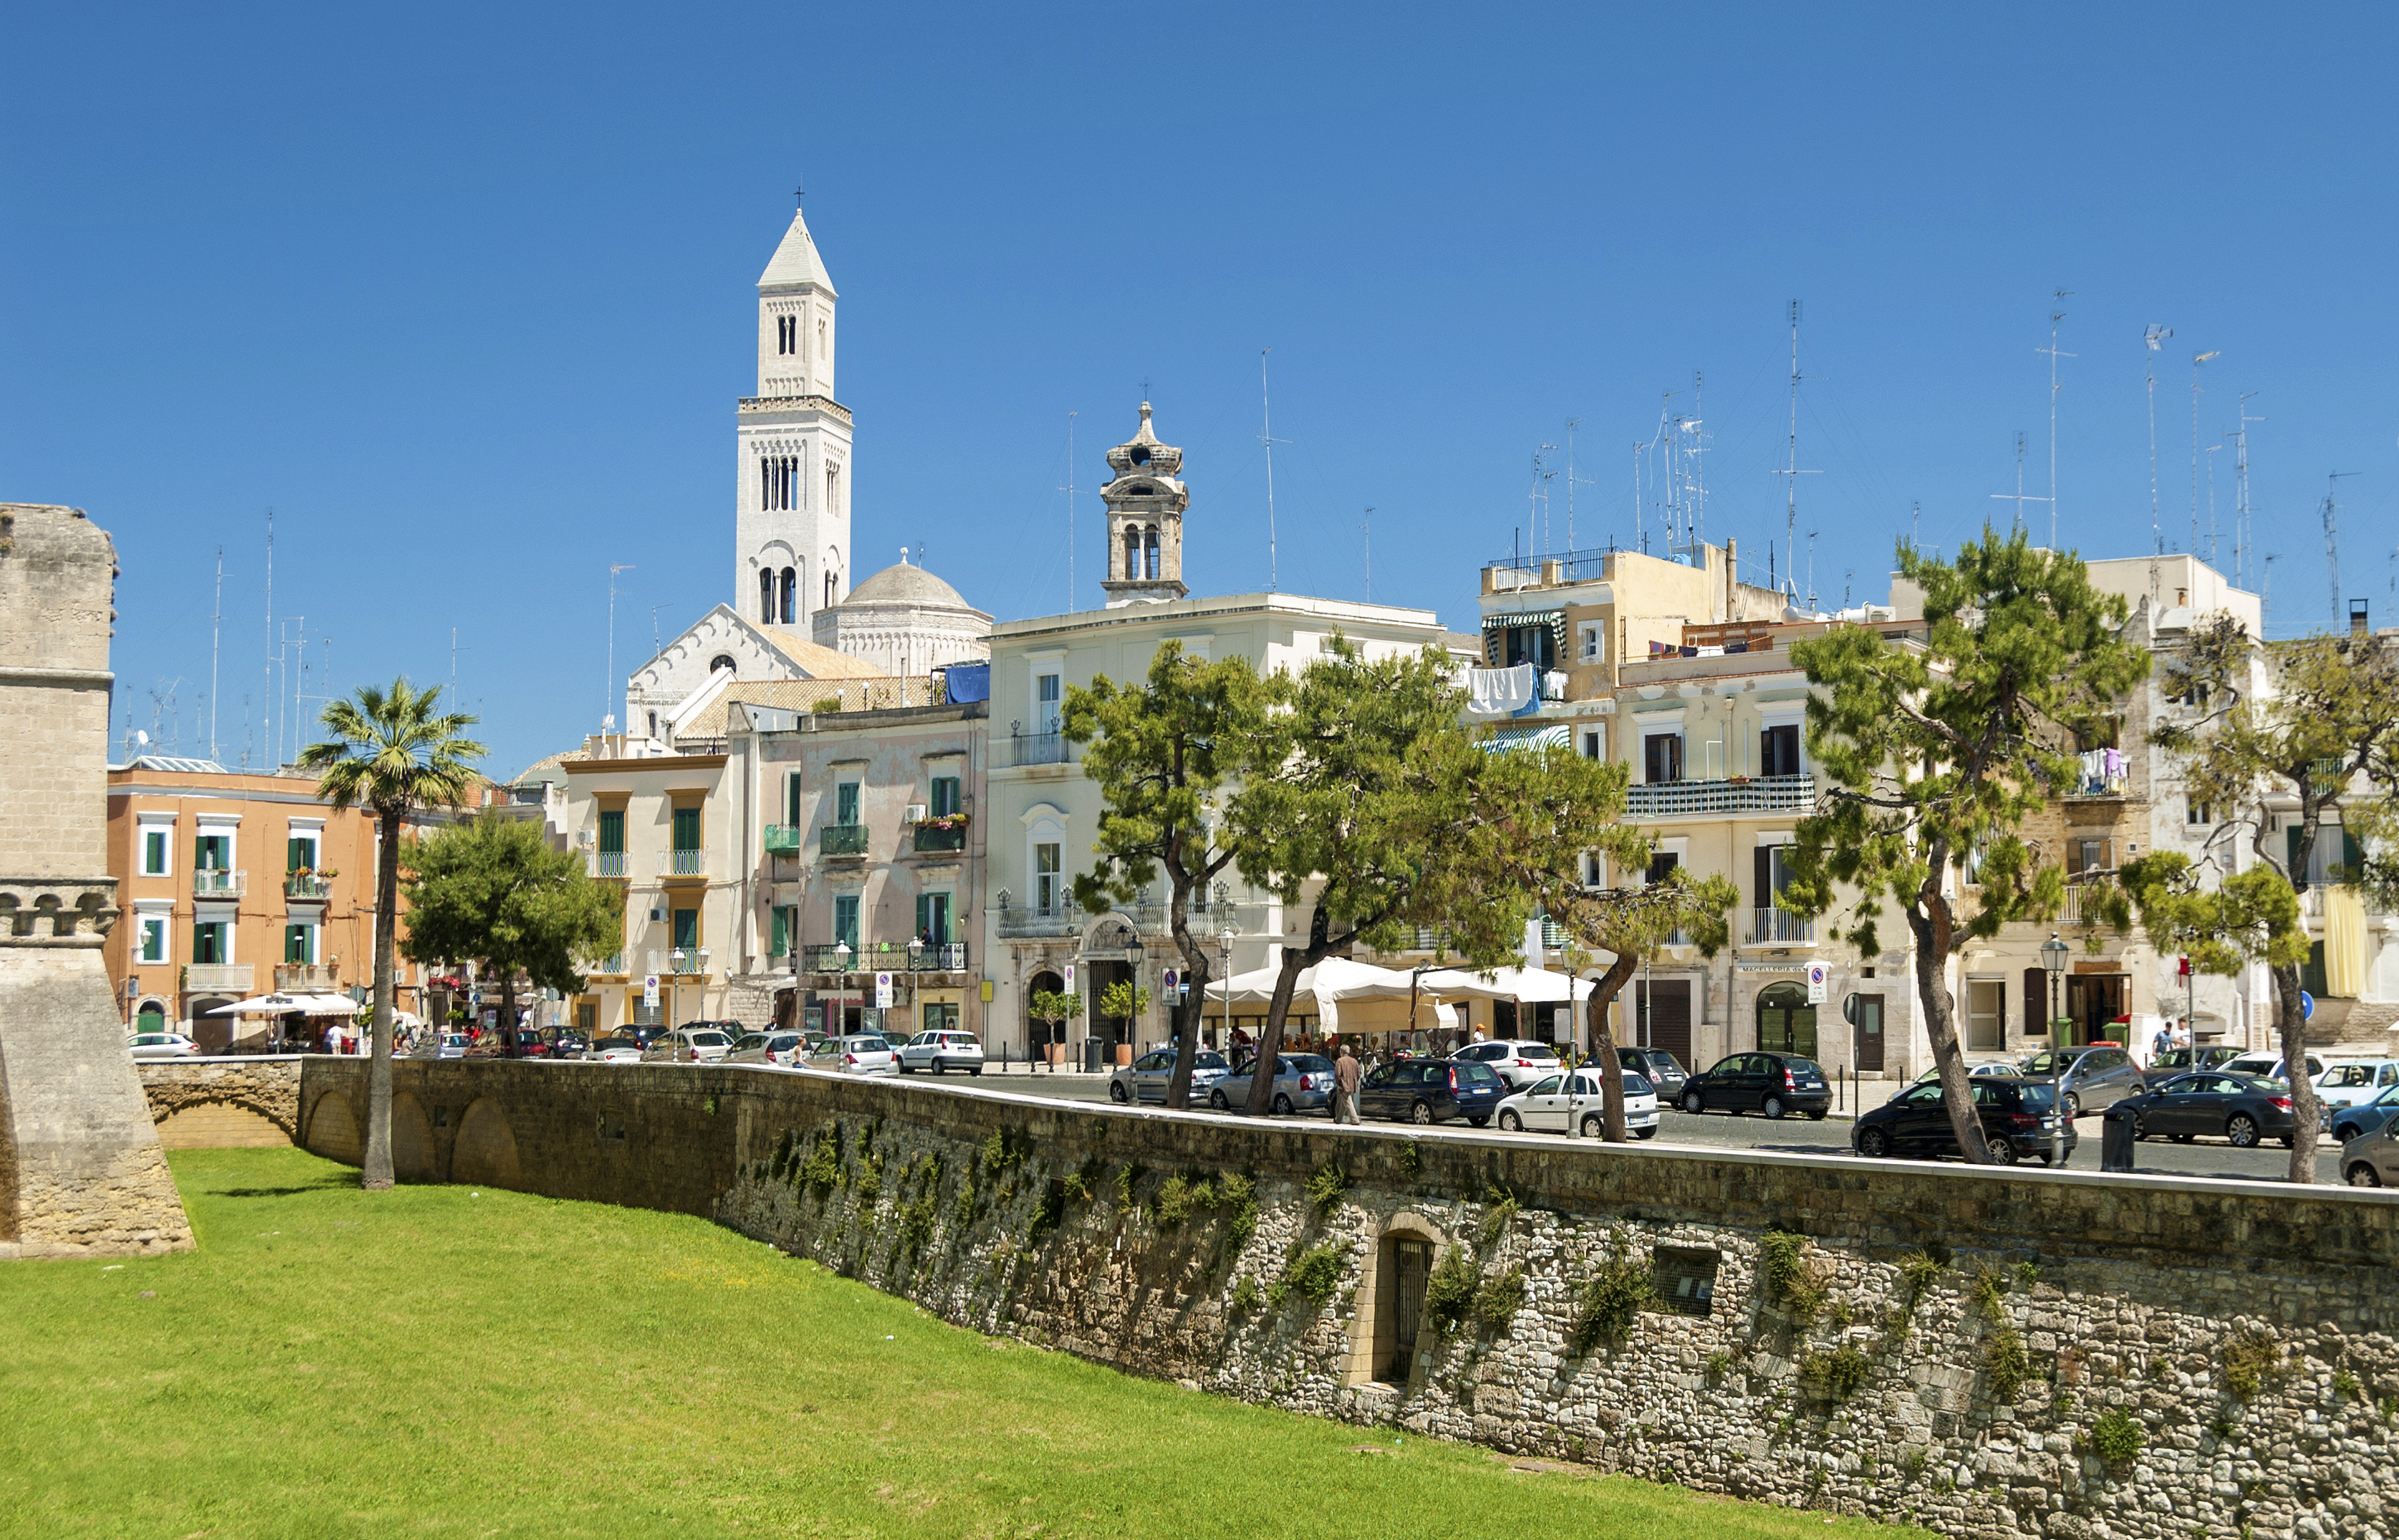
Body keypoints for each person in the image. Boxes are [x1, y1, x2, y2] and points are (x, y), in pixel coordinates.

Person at [1333, 1042, 1363, 1125]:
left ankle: (1355, 1120)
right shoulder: (1354, 1061)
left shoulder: (1340, 1061)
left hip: (1344, 1085)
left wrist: (1339, 1083)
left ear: (1341, 1052)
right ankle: (1338, 1119)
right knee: (1345, 1102)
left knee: (1348, 1101)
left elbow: (1337, 1074)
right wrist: (1354, 1081)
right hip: (1353, 1085)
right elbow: (1358, 1074)